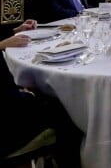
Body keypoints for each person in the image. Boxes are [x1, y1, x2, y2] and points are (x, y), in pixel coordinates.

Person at [0, 20, 83, 166]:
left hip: (10, 107)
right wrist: (30, 95)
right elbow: (11, 102)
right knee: (72, 111)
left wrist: (14, 31)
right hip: (8, 128)